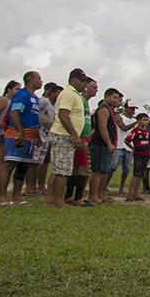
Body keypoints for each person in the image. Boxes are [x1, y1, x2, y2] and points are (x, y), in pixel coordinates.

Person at [46, 69, 89, 210]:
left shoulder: (74, 94)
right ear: (73, 80)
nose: (84, 84)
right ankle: (59, 201)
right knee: (63, 170)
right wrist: (74, 135)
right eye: (82, 81)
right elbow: (64, 115)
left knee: (59, 168)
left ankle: (51, 198)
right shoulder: (69, 93)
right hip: (63, 135)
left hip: (65, 134)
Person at [0, 71, 42, 206]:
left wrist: (38, 136)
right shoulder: (22, 95)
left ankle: (16, 197)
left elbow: (34, 118)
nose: (41, 81)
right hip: (17, 135)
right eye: (38, 79)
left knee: (23, 166)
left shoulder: (35, 97)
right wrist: (20, 132)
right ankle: (2, 197)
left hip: (31, 136)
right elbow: (15, 113)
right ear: (29, 79)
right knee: (10, 164)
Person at [88, 88, 134, 205]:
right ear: (107, 97)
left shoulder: (111, 111)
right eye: (114, 97)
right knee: (98, 171)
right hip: (100, 144)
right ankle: (93, 196)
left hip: (106, 145)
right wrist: (109, 143)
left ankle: (101, 194)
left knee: (104, 170)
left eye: (118, 98)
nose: (116, 100)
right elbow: (102, 128)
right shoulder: (103, 109)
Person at [31, 82, 62, 196]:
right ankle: (32, 187)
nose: (60, 96)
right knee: (34, 163)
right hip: (38, 134)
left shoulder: (55, 106)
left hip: (48, 136)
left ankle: (40, 186)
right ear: (51, 93)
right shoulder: (44, 101)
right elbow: (34, 114)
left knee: (44, 161)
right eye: (58, 93)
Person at [0, 81, 20, 198]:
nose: (18, 91)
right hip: (0, 133)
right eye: (16, 89)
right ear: (9, 89)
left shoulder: (14, 102)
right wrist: (3, 125)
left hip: (9, 133)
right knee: (0, 161)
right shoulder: (4, 100)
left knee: (5, 161)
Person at [124, 113, 150, 202]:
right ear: (139, 121)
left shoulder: (147, 131)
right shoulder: (135, 131)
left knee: (141, 175)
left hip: (146, 154)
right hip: (138, 155)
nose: (146, 122)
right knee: (136, 174)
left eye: (147, 120)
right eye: (144, 119)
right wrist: (133, 148)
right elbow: (127, 140)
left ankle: (136, 194)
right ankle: (130, 194)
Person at [112, 103, 136, 195]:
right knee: (113, 167)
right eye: (131, 108)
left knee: (126, 169)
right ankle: (104, 186)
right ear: (126, 108)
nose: (133, 111)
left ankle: (121, 188)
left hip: (129, 147)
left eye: (134, 109)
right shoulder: (120, 117)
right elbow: (124, 128)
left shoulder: (134, 120)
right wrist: (136, 123)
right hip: (119, 145)